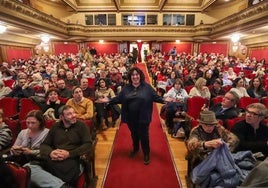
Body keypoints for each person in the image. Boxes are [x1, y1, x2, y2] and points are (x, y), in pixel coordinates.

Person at [100, 67, 167, 165]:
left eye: (137, 74)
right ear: (130, 77)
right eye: (133, 75)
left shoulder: (147, 87)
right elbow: (119, 98)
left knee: (144, 136)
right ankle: (135, 148)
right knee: (134, 134)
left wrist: (165, 100)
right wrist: (109, 100)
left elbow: (156, 97)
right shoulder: (126, 88)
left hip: (143, 116)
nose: (135, 77)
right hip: (130, 117)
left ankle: (146, 153)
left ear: (140, 75)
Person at [25, 105, 92, 187]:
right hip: (54, 158)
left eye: (73, 112)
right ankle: (61, 186)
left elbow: (88, 144)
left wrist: (69, 154)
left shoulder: (81, 126)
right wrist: (51, 152)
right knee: (28, 168)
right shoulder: (55, 126)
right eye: (69, 114)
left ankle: (53, 183)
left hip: (72, 159)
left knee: (64, 173)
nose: (74, 115)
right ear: (61, 117)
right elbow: (45, 144)